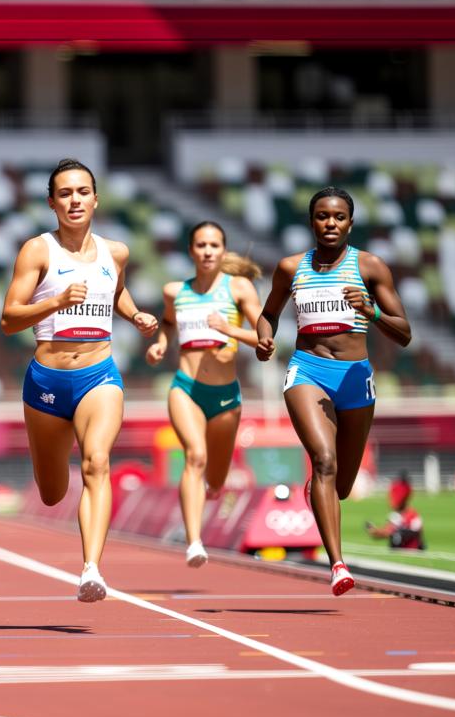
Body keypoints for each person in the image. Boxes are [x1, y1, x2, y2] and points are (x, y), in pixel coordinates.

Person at [1, 158, 158, 602]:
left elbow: (118, 288)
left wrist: (134, 314)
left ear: (95, 199)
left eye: (82, 192)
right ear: (52, 202)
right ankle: (59, 489)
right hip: (48, 382)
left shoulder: (117, 252)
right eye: (65, 193)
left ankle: (91, 569)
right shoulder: (37, 251)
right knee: (52, 493)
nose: (75, 200)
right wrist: (55, 303)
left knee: (96, 463)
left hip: (99, 375)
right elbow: (9, 318)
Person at [255, 186, 411, 596]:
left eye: (339, 217)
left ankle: (320, 494)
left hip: (355, 378)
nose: (330, 223)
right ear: (311, 222)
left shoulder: (371, 267)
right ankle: (338, 565)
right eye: (323, 216)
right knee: (323, 460)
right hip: (307, 371)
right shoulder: (291, 268)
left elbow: (405, 334)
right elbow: (268, 314)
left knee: (340, 485)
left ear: (350, 223)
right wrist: (264, 340)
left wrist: (371, 311)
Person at [144, 221, 263, 568]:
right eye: (201, 245)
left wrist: (228, 329)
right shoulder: (174, 292)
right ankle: (194, 541)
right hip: (186, 388)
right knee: (194, 455)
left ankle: (213, 490)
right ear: (191, 251)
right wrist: (162, 344)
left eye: (214, 245)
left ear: (223, 251)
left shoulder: (238, 288)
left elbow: (265, 338)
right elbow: (167, 322)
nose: (207, 251)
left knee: (216, 478)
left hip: (225, 396)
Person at [365, 471, 426, 549]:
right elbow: (387, 531)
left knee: (398, 536)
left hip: (411, 550)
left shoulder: (411, 516)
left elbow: (388, 532)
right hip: (404, 549)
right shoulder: (396, 515)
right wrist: (374, 531)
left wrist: (375, 531)